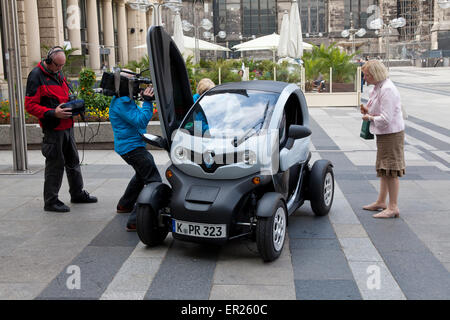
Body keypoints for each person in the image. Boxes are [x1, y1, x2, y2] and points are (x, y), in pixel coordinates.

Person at [25, 46, 97, 212]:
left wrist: (73, 105)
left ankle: (77, 193)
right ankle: (51, 201)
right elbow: (30, 105)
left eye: (62, 66)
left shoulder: (59, 74)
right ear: (49, 61)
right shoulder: (36, 76)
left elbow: (63, 96)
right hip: (53, 128)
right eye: (57, 65)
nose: (60, 69)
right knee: (55, 165)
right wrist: (53, 113)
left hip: (67, 126)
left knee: (73, 162)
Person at [108, 70, 161, 231]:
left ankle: (125, 205)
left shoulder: (124, 100)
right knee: (153, 180)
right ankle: (135, 220)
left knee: (140, 175)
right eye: (133, 82)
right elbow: (140, 121)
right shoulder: (122, 103)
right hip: (132, 148)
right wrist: (147, 102)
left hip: (129, 145)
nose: (137, 86)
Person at [360, 60, 405, 219]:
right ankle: (381, 202)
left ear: (375, 74)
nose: (364, 78)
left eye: (366, 75)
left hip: (391, 134)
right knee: (384, 168)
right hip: (385, 134)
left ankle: (393, 207)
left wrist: (370, 117)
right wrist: (368, 110)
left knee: (391, 170)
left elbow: (386, 118)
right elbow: (379, 109)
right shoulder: (379, 87)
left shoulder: (387, 89)